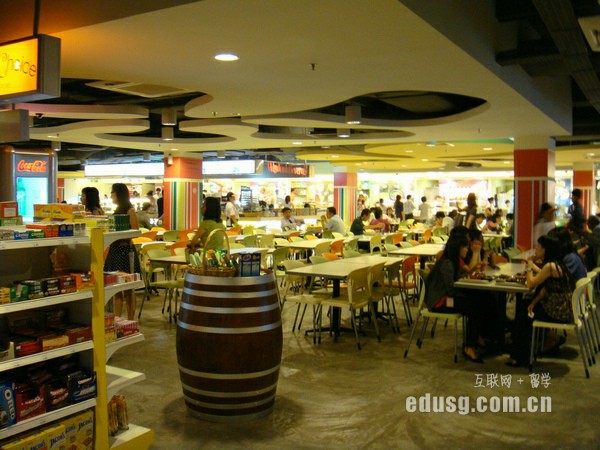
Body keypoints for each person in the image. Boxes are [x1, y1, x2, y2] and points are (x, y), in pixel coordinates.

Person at [507, 235, 575, 367]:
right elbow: (545, 284)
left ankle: (520, 357)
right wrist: (533, 303)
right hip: (563, 309)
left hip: (556, 312)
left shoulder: (549, 266)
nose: (536, 249)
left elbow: (530, 284)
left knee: (522, 316)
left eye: (538, 246)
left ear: (545, 249)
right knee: (525, 308)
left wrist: (529, 266)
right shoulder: (557, 264)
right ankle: (524, 350)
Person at [425, 233, 484, 363]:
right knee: (473, 307)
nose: (467, 250)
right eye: (465, 247)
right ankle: (469, 347)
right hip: (440, 302)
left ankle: (475, 340)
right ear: (458, 248)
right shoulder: (447, 263)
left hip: (445, 298)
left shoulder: (452, 261)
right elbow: (451, 290)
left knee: (477, 302)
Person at [104, 183, 140, 321]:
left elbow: (135, 231)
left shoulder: (129, 211)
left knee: (128, 288)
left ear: (118, 194)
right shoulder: (118, 210)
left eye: (112, 192)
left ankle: (130, 320)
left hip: (125, 251)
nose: (111, 195)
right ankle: (117, 319)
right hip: (115, 250)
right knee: (116, 287)